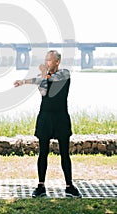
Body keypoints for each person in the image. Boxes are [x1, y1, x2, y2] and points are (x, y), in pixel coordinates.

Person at [14, 50, 82, 198]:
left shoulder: (64, 73)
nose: (46, 63)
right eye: (45, 60)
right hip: (45, 117)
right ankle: (41, 186)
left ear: (57, 62)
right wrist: (22, 82)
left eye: (49, 60)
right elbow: (42, 89)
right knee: (43, 153)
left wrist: (43, 75)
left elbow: (49, 80)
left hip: (61, 118)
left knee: (65, 153)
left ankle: (69, 186)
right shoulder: (45, 76)